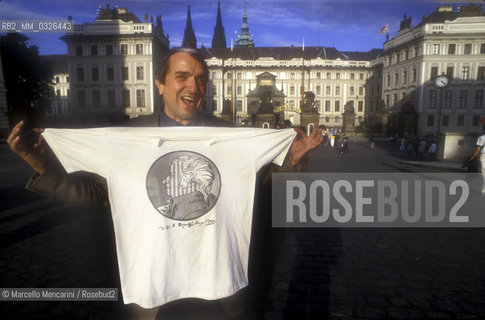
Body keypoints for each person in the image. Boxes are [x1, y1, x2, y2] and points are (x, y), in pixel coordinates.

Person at [7, 48, 322, 319]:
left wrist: (292, 159)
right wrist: (38, 161)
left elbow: (258, 182)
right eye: (182, 77)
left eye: (200, 79)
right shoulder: (125, 138)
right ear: (160, 84)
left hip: (219, 290)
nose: (194, 86)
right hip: (153, 292)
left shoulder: (229, 135)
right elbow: (96, 193)